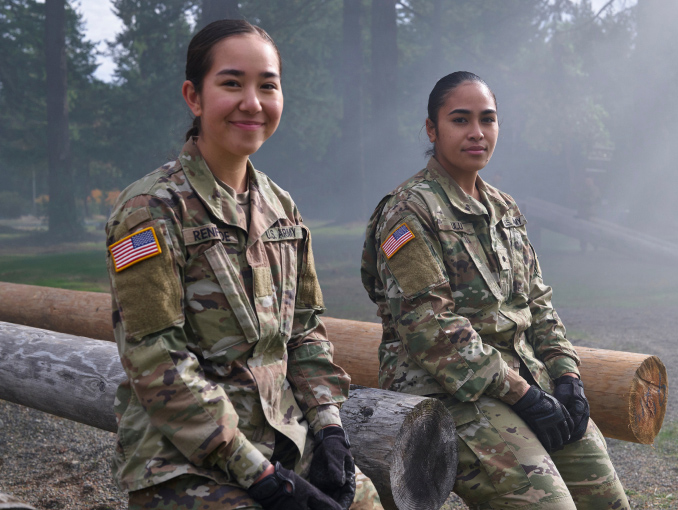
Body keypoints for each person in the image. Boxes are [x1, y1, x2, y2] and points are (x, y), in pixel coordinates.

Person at [105, 20, 382, 510]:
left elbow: (304, 334)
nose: (252, 102)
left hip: (284, 442)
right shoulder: (150, 209)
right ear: (194, 96)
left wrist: (331, 432)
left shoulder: (282, 208)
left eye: (267, 85)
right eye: (232, 83)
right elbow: (157, 363)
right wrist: (261, 477)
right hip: (185, 463)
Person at [360, 71, 629, 510]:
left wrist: (567, 377)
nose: (477, 133)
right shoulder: (408, 211)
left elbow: (538, 304)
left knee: (607, 499)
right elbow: (430, 328)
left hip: (524, 381)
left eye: (487, 119)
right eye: (460, 120)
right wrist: (526, 395)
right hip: (449, 391)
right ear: (432, 129)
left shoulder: (504, 209)